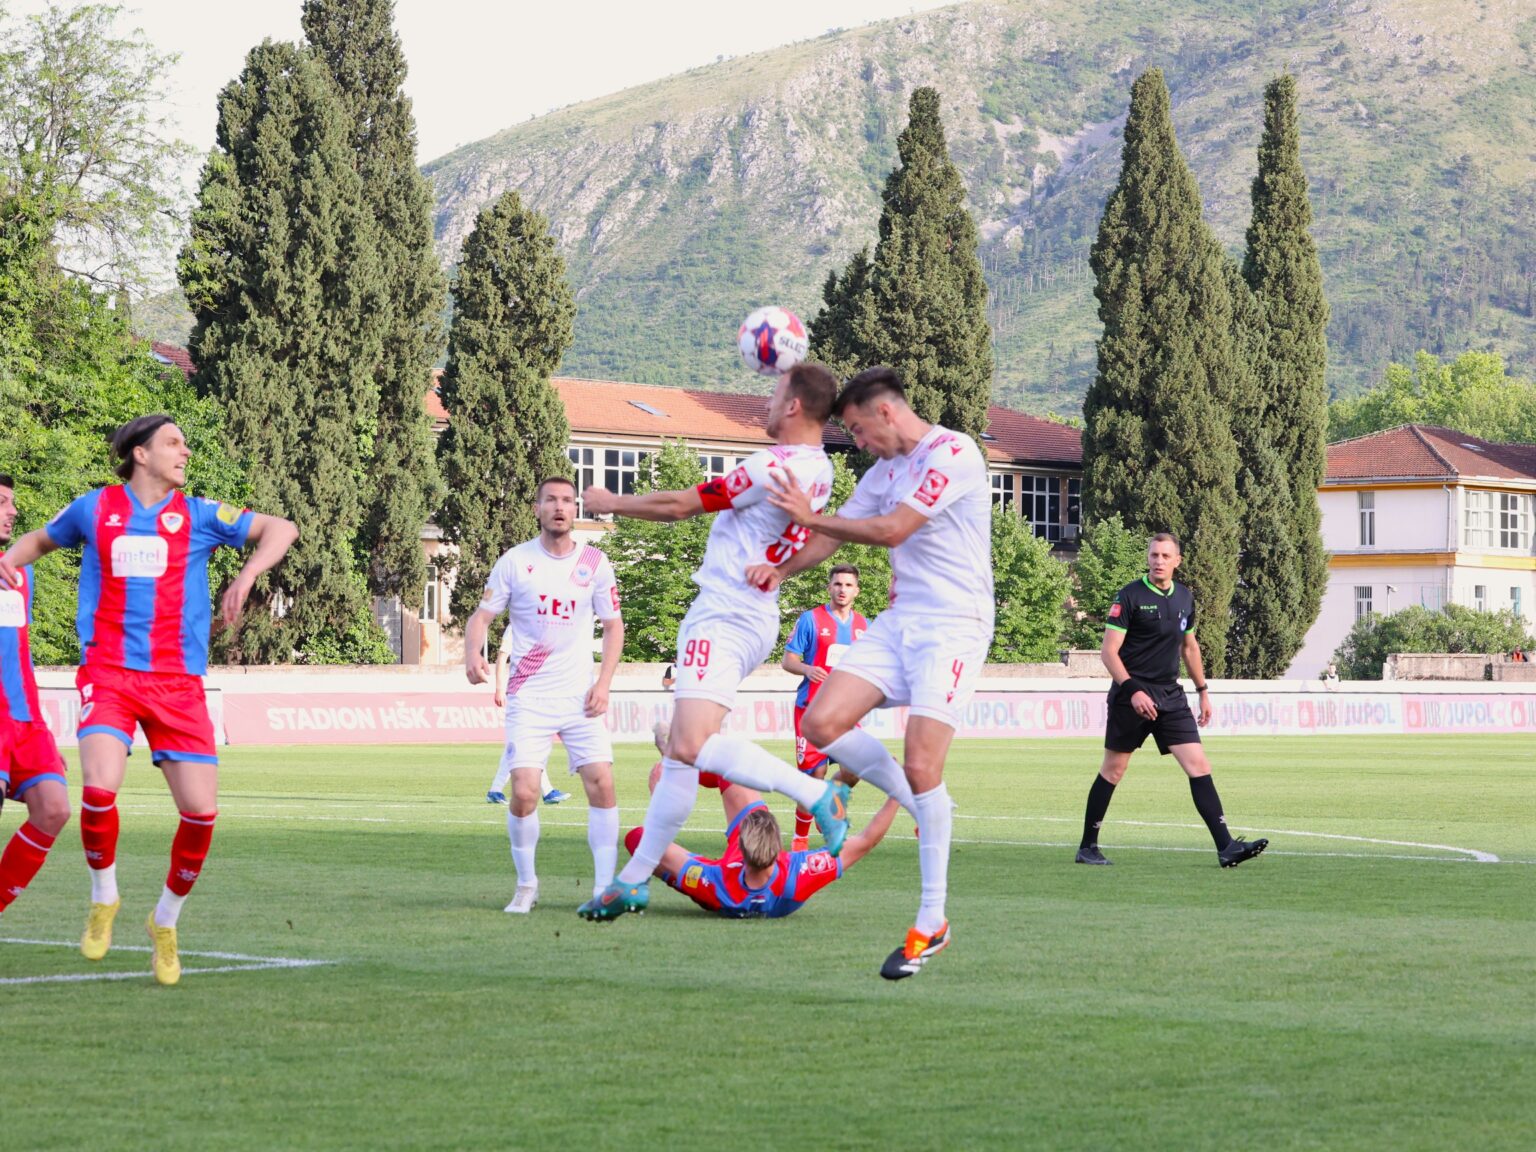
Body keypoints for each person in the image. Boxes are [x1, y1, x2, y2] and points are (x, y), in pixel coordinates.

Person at [0, 416, 298, 984]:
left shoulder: (202, 515)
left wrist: (248, 575)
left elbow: (281, 528)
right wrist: (7, 564)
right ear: (140, 454)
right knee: (99, 786)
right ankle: (104, 897)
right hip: (109, 673)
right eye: (173, 443)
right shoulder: (95, 508)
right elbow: (37, 541)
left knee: (201, 813)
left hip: (179, 684)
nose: (184, 452)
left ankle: (164, 921)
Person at [576, 362, 850, 922]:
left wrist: (611, 502)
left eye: (775, 393)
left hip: (723, 614)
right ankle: (631, 883)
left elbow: (681, 505)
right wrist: (783, 571)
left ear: (795, 405)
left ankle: (813, 792)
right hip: (750, 613)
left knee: (694, 747)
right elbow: (828, 536)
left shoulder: (772, 466)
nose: (768, 403)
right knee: (680, 755)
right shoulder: (820, 469)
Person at [749, 366, 990, 981]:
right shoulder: (883, 473)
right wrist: (782, 571)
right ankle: (927, 804)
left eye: (856, 430)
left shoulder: (953, 452)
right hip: (902, 621)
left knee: (920, 762)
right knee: (822, 719)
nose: (856, 443)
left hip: (953, 625)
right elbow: (828, 543)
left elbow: (891, 530)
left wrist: (810, 513)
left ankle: (931, 920)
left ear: (886, 413)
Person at [464, 476, 625, 914]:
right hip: (529, 696)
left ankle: (604, 886)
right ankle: (526, 884)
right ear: (536, 508)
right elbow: (481, 617)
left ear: (576, 510)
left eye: (567, 501)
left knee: (602, 784)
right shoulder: (515, 562)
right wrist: (472, 655)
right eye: (550, 500)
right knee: (524, 791)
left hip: (580, 696)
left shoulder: (595, 561)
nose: (559, 507)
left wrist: (604, 682)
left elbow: (613, 626)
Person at [1074, 532, 1268, 869]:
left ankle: (1226, 847)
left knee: (1199, 765)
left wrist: (1203, 689)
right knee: (1114, 769)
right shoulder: (1130, 596)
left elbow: (1189, 647)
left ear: (1177, 560)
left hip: (1170, 696)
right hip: (1130, 696)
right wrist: (1133, 690)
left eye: (1165, 556)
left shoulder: (1184, 598)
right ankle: (1088, 846)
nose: (1158, 561)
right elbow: (1109, 652)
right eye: (1154, 555)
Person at [627, 748, 901, 920]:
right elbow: (866, 841)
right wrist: (897, 791)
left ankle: (679, 768)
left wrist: (660, 798)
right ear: (779, 852)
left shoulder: (715, 882)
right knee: (731, 771)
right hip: (733, 887)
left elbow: (640, 839)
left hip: (718, 884)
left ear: (741, 849)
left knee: (638, 839)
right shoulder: (798, 874)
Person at [0, 474, 71, 924]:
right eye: (3, 502)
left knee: (55, 809)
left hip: (25, 718)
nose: (12, 511)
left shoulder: (22, 573)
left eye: (13, 503)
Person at [781, 564, 868, 850]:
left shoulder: (862, 626)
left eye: (848, 585)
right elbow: (788, 660)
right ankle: (799, 840)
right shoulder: (811, 620)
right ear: (829, 587)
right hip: (812, 710)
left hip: (845, 712)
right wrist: (807, 669)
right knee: (813, 776)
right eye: (838, 584)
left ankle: (828, 802)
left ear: (856, 590)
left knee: (854, 769)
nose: (843, 590)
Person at [484, 626, 570, 806]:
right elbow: (502, 657)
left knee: (524, 744)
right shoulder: (516, 626)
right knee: (525, 743)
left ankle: (496, 790)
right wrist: (500, 689)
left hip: (537, 694)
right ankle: (547, 792)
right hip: (520, 693)